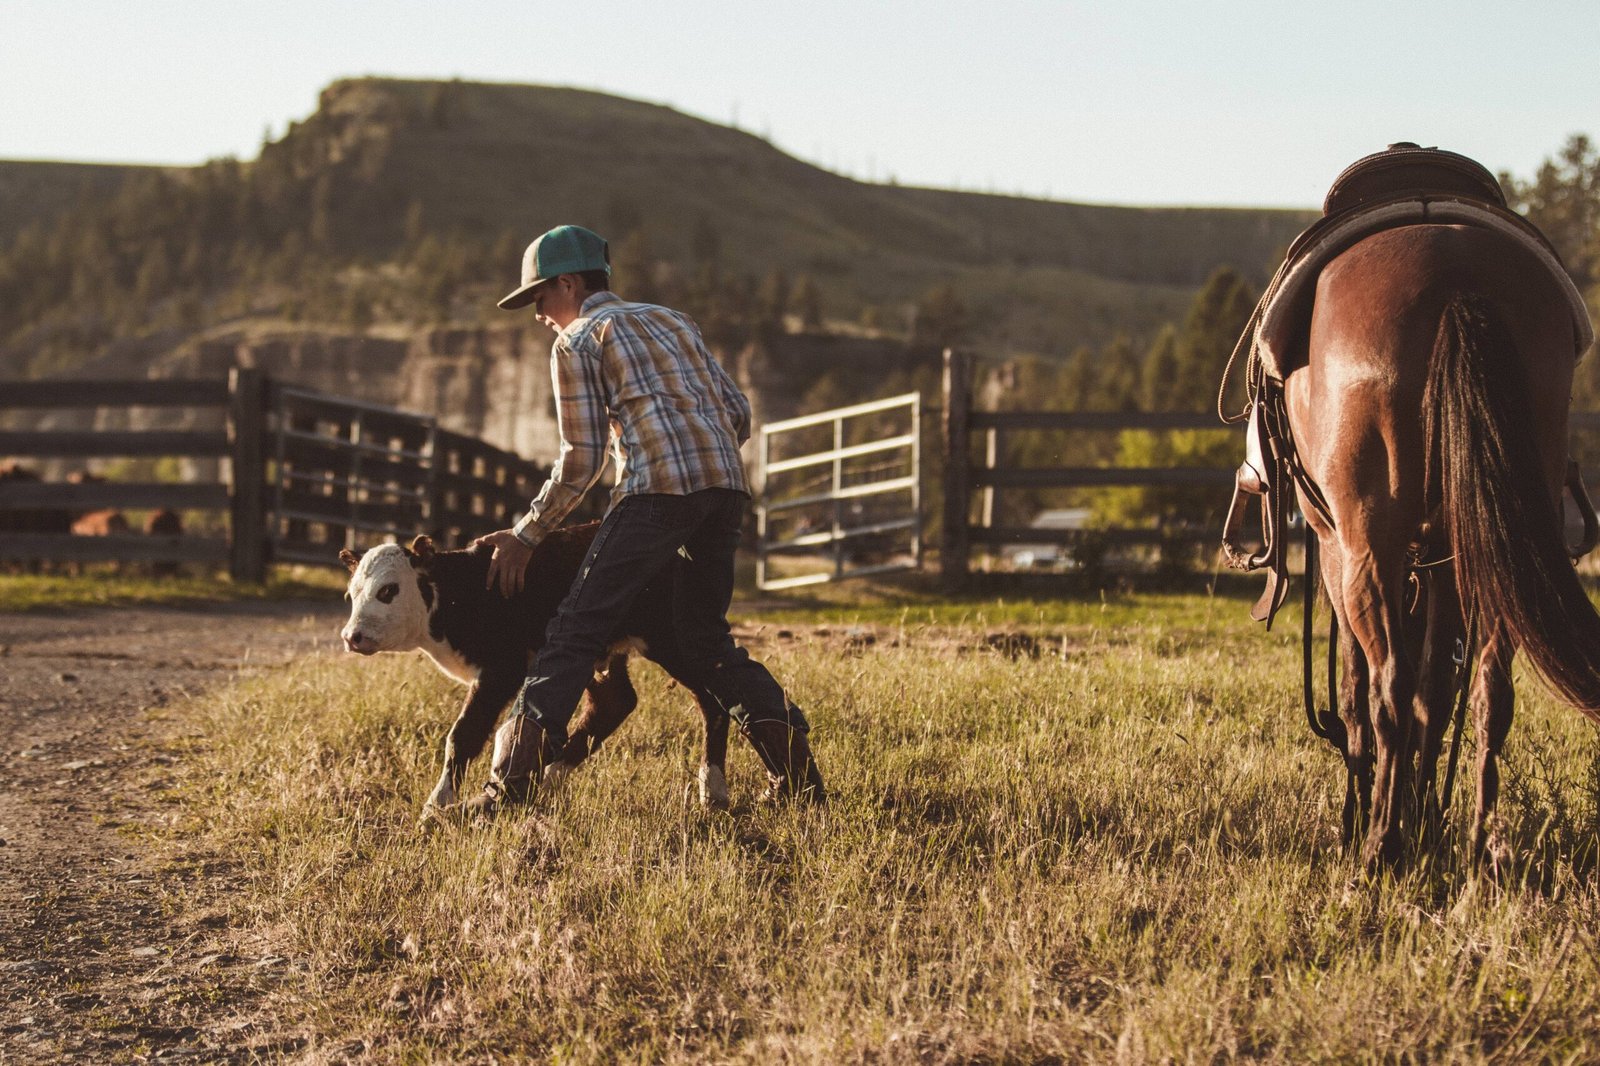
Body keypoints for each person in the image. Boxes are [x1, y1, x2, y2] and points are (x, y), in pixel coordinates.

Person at [462, 224, 824, 818]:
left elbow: (582, 459)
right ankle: (798, 779)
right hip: (726, 488)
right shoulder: (673, 320)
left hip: (656, 492)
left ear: (570, 284)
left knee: (576, 629)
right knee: (707, 640)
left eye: (539, 298)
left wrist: (527, 534)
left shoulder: (577, 340)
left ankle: (506, 790)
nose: (538, 316)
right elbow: (737, 411)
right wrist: (704, 463)